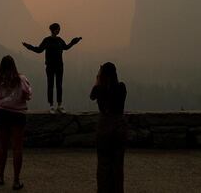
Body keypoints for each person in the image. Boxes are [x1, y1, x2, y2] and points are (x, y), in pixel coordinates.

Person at [0, 55, 32, 190]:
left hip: (3, 114)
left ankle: (0, 176)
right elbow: (28, 94)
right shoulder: (21, 79)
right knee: (17, 148)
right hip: (18, 115)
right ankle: (16, 180)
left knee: (2, 146)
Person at [22, 23, 81, 113]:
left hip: (59, 66)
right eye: (58, 29)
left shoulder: (60, 40)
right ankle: (51, 106)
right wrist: (28, 46)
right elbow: (39, 50)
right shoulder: (47, 40)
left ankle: (59, 105)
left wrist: (74, 41)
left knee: (59, 85)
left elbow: (66, 47)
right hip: (50, 66)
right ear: (53, 30)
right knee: (50, 85)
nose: (59, 30)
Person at [90, 62, 127, 193]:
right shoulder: (121, 87)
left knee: (103, 164)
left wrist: (98, 79)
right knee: (118, 165)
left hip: (104, 128)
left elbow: (92, 96)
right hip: (119, 128)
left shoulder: (99, 89)